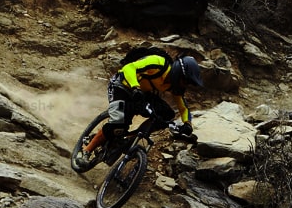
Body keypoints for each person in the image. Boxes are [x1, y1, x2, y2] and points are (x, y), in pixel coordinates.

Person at [74, 48, 203, 169]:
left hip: (141, 94)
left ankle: (132, 137)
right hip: (122, 85)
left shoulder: (174, 86)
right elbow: (129, 67)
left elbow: (183, 107)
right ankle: (86, 151)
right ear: (179, 73)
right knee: (118, 124)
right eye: (186, 81)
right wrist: (135, 87)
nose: (186, 85)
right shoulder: (158, 63)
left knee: (166, 114)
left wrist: (187, 124)